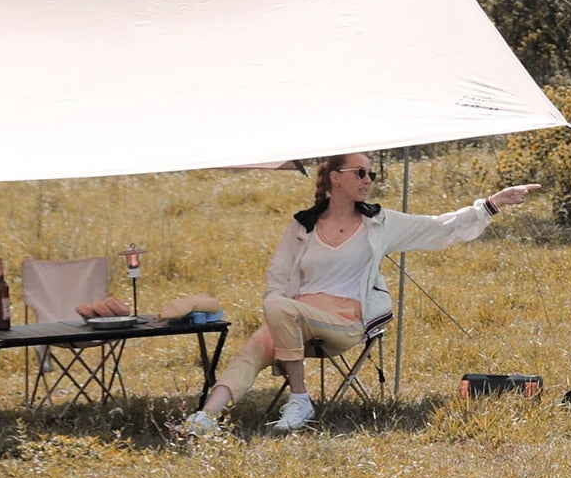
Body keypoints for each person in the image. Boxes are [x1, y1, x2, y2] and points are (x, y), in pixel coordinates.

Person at [182, 154, 541, 435]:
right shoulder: (302, 226)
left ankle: (299, 399)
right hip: (292, 318)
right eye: (360, 173)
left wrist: (492, 203)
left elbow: (440, 228)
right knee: (253, 346)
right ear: (335, 178)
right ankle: (205, 418)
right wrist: (280, 314)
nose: (369, 180)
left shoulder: (379, 223)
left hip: (343, 322)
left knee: (278, 309)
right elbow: (277, 278)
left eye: (371, 174)